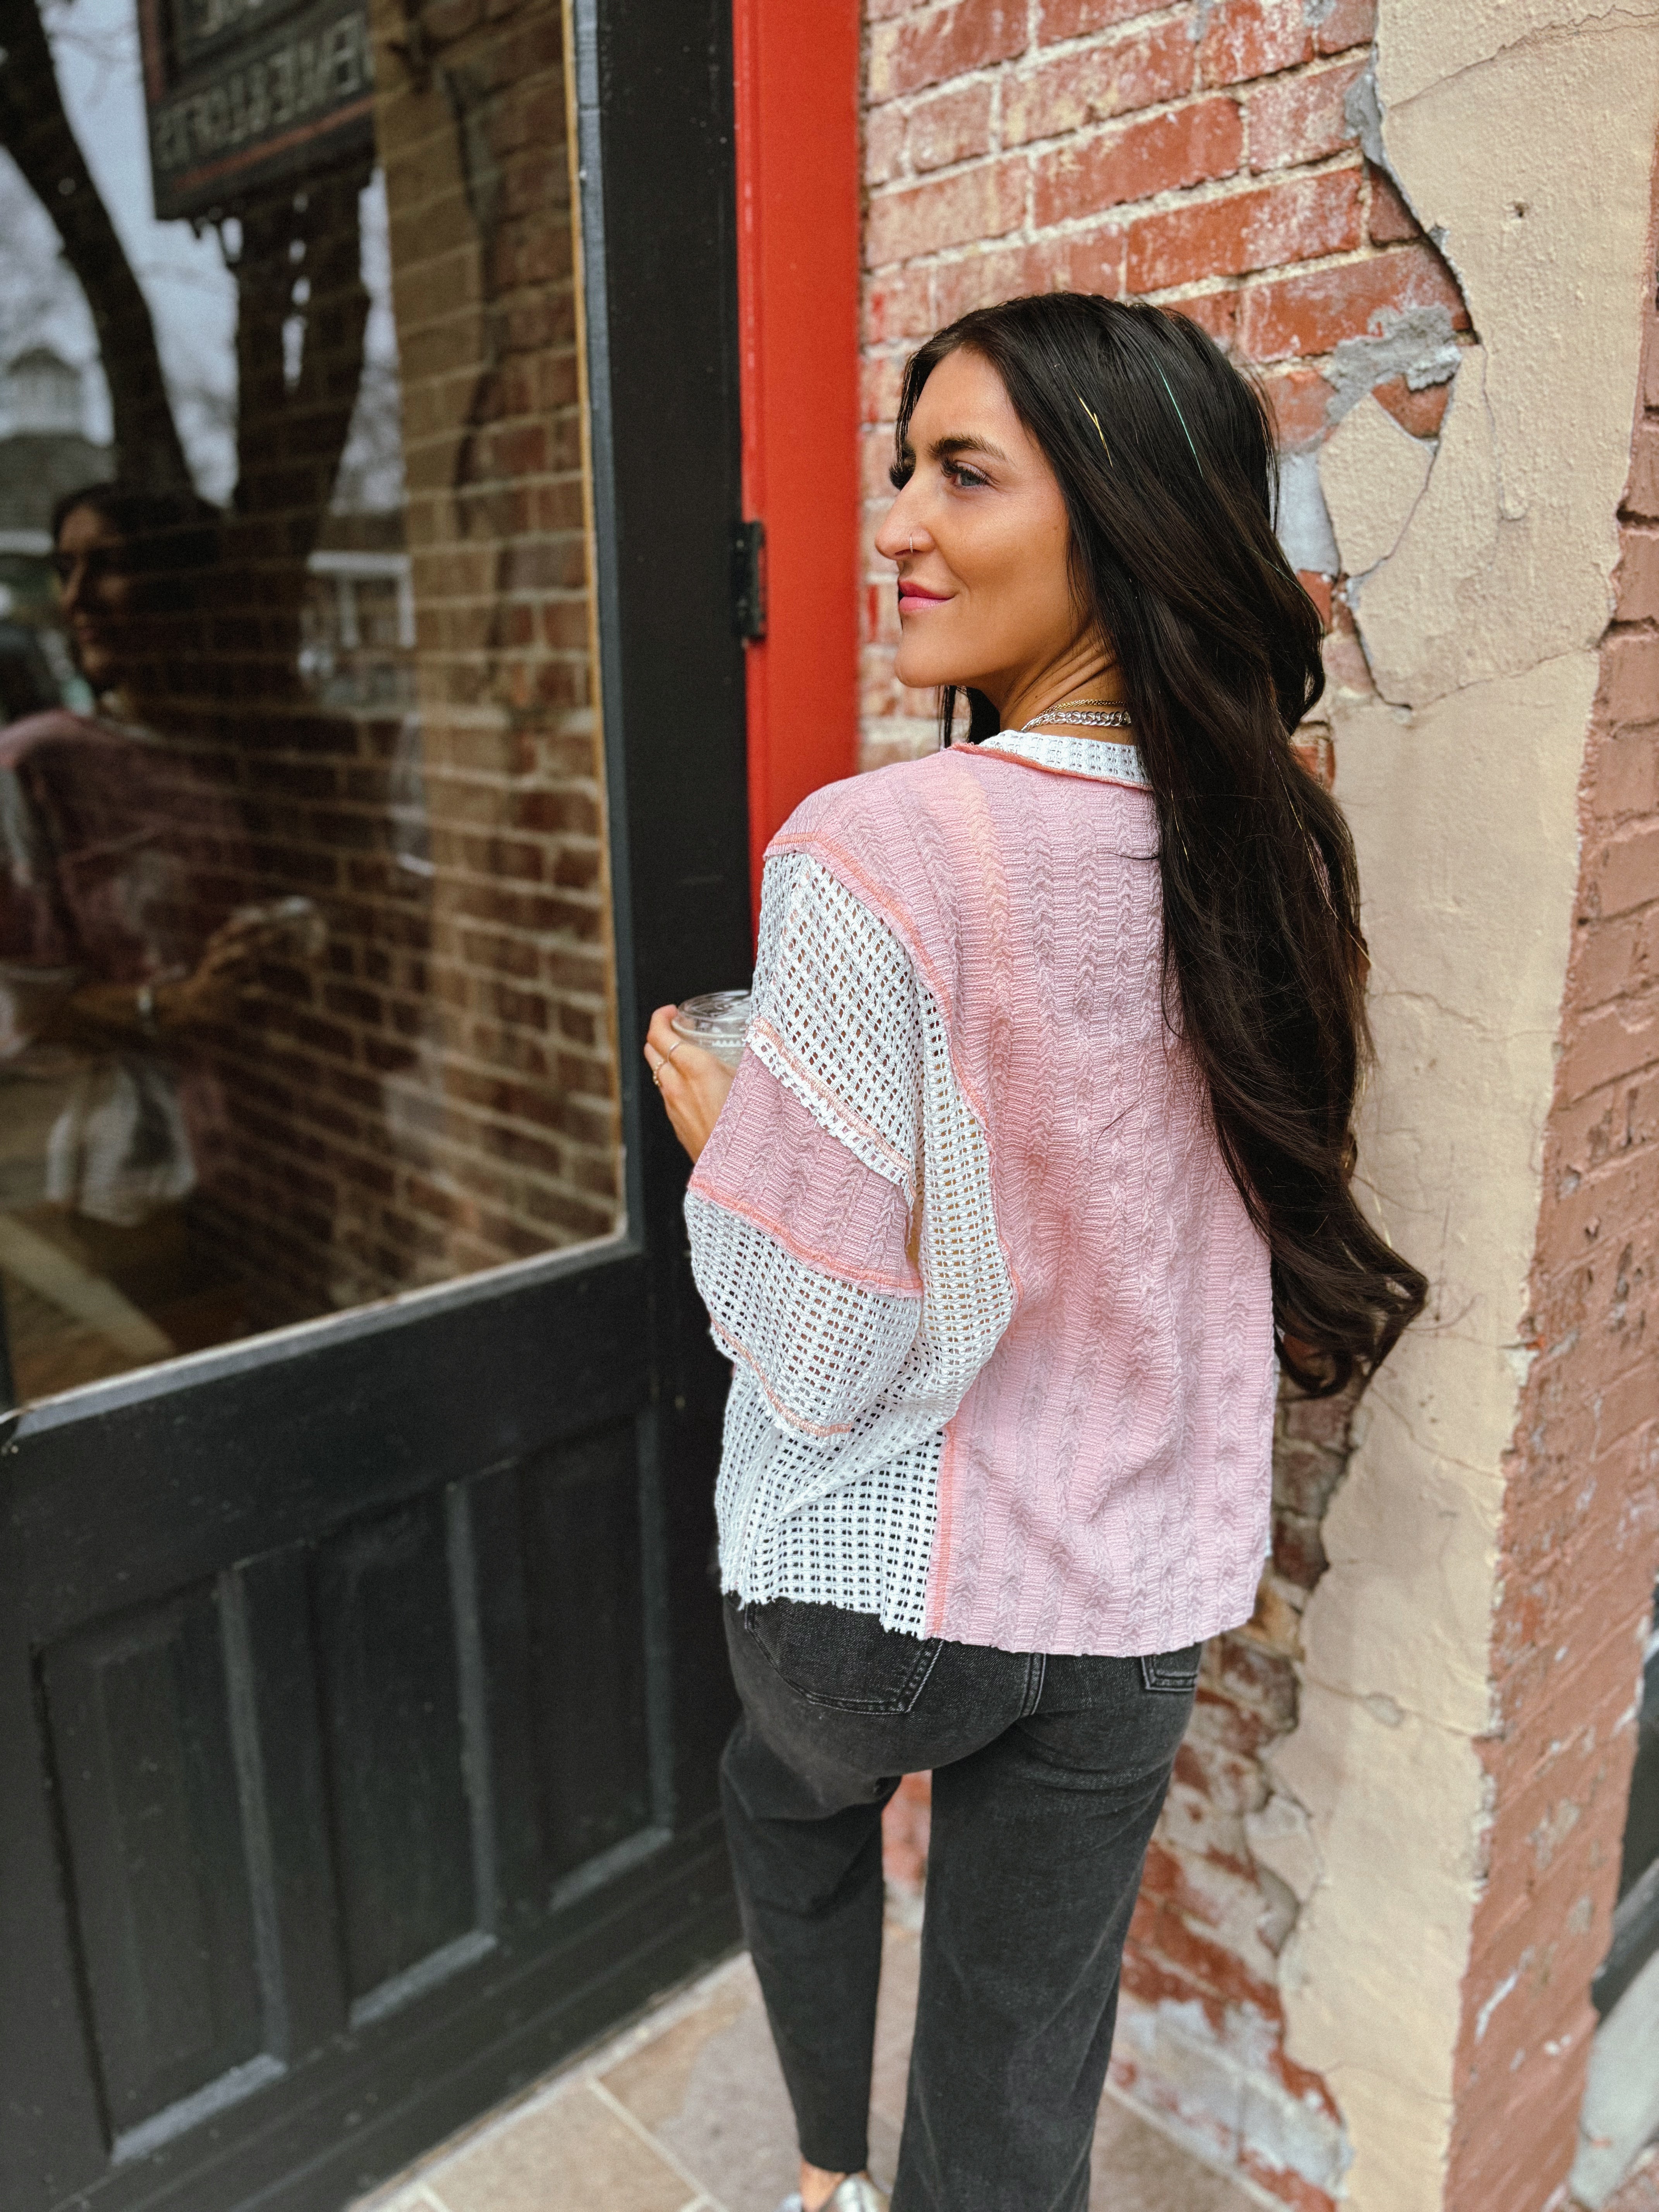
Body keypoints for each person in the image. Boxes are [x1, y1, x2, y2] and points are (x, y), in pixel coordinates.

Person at [643, 294, 1427, 2212]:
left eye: (962, 473)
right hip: (1138, 1590)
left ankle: (822, 2169)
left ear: (1124, 512)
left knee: (777, 1793)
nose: (897, 522)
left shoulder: (875, 850)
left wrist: (734, 1140)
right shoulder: (1268, 836)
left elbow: (821, 1345)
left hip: (882, 1602)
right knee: (1016, 2088)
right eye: (904, 468)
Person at [0, 484, 311, 1384]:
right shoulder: (37, 766)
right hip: (137, 1182)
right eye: (66, 570)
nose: (78, 599)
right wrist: (173, 1006)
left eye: (111, 567)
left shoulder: (260, 755)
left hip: (277, 1159)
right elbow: (21, 1007)